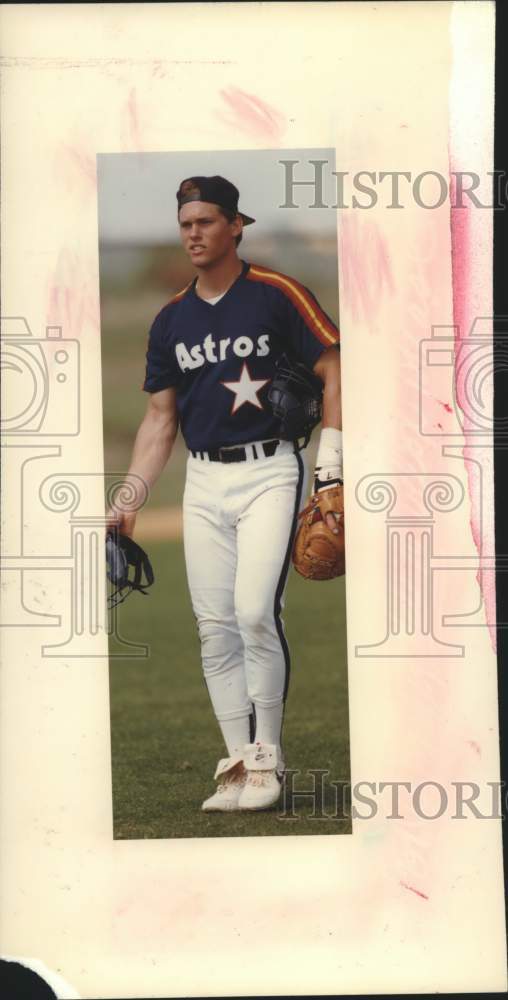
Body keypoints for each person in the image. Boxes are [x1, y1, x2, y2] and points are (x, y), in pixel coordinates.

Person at [108, 175, 342, 812]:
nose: (193, 233)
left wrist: (332, 467)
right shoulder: (171, 320)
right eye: (186, 223)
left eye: (206, 221)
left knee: (255, 615)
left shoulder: (275, 293)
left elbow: (331, 364)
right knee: (214, 629)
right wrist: (128, 496)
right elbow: (160, 420)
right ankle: (236, 763)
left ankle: (269, 757)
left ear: (237, 226)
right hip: (204, 479)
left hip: (272, 470)